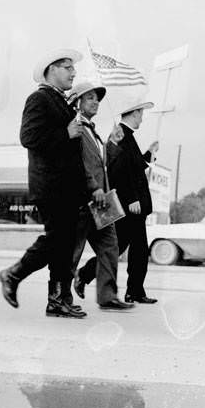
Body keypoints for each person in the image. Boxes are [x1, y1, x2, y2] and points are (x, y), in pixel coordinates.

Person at [0, 48, 88, 319]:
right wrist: (66, 132)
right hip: (52, 186)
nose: (73, 72)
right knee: (58, 239)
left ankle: (57, 300)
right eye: (67, 67)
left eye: (73, 68)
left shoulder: (61, 101)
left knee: (63, 244)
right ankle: (13, 274)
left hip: (67, 189)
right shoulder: (39, 99)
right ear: (50, 70)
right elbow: (29, 137)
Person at [77, 99, 158, 304]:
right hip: (129, 205)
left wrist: (149, 154)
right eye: (141, 113)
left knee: (136, 249)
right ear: (133, 113)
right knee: (120, 248)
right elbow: (118, 171)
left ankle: (134, 291)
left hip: (134, 205)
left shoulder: (128, 137)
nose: (142, 118)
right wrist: (131, 198)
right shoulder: (121, 135)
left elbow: (134, 166)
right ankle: (86, 275)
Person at [65, 82, 133, 312]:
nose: (96, 102)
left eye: (97, 99)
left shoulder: (93, 131)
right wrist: (92, 187)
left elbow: (102, 166)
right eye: (90, 98)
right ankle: (61, 299)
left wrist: (112, 143)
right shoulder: (75, 128)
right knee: (73, 251)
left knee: (110, 246)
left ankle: (108, 296)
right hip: (83, 199)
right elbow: (76, 165)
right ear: (77, 103)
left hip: (101, 202)